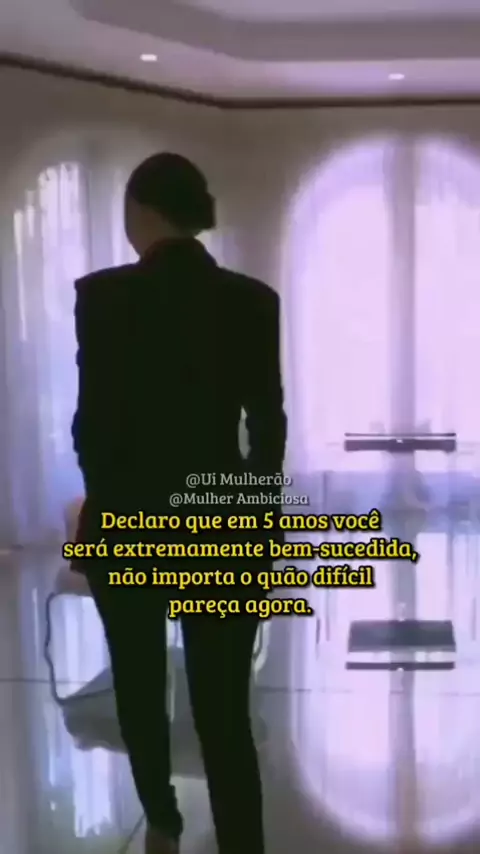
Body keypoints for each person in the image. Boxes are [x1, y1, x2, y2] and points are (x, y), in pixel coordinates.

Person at [71, 152, 287, 854]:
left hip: (128, 519)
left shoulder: (102, 297)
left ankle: (162, 820)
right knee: (224, 711)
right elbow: (268, 426)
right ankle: (242, 842)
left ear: (140, 210)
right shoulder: (252, 300)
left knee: (138, 689)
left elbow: (92, 426)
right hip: (222, 522)